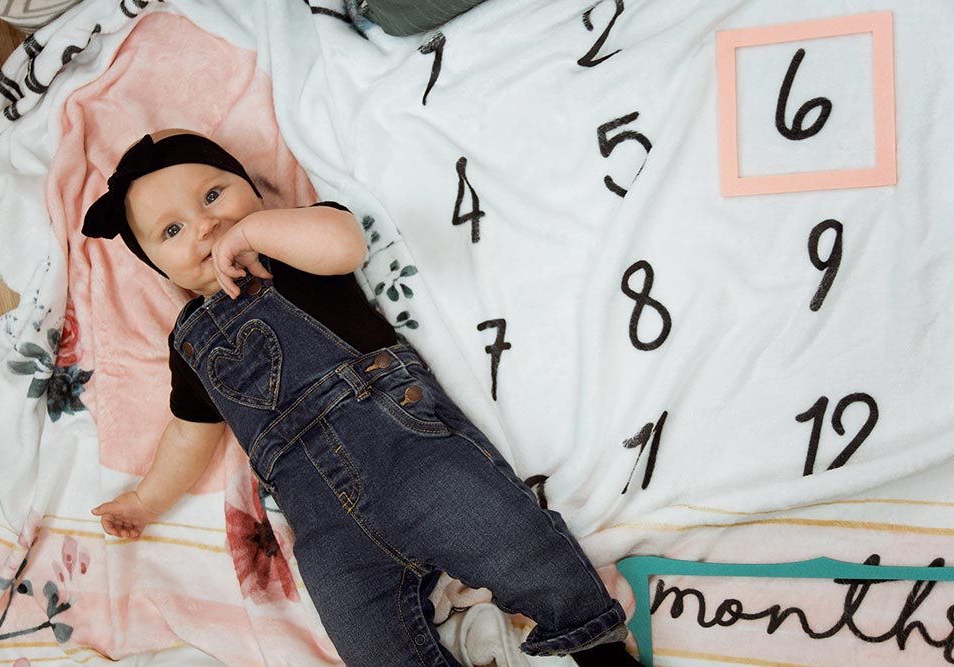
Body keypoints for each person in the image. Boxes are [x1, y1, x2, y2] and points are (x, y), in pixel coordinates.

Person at [83, 130, 641, 667]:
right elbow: (189, 431)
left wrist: (254, 234)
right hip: (324, 526)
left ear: (250, 188)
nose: (206, 224)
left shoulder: (289, 248)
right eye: (173, 230)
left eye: (212, 195)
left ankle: (596, 646)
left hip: (406, 450)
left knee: (507, 536)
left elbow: (344, 243)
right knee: (366, 637)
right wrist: (147, 501)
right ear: (156, 265)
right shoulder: (190, 344)